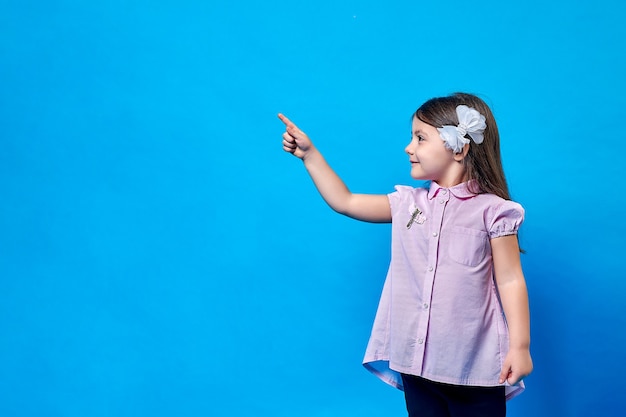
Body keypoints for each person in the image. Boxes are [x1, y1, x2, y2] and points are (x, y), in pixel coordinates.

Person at [278, 92, 533, 417]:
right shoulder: (407, 204)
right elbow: (345, 201)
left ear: (460, 147)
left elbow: (510, 279)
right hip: (417, 365)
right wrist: (310, 155)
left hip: (475, 368)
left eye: (420, 138)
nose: (408, 147)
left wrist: (520, 346)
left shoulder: (495, 212)